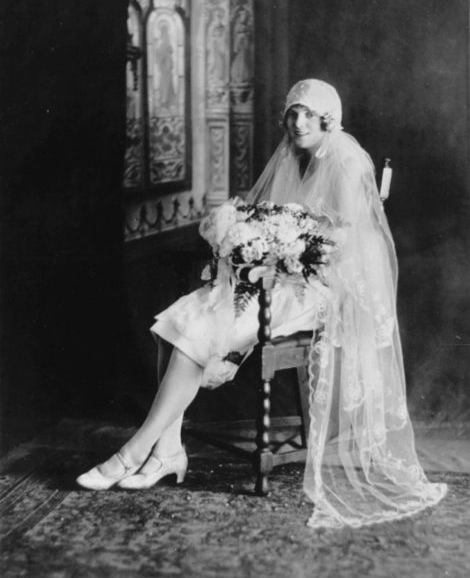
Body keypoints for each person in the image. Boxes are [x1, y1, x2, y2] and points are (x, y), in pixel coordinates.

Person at [77, 79, 447, 529]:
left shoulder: (347, 162)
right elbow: (268, 217)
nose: (298, 122)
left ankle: (133, 452)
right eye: (292, 113)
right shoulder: (293, 158)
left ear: (329, 117)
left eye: (308, 113)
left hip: (318, 290)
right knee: (176, 322)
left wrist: (292, 254)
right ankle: (169, 450)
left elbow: (347, 241)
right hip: (276, 279)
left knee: (197, 331)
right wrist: (251, 242)